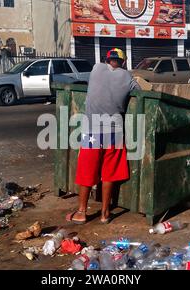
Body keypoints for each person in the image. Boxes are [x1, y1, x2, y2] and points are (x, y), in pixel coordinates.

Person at [66, 48, 140, 225]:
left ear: (107, 59)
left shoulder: (96, 69)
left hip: (92, 130)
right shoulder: (128, 77)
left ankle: (82, 212)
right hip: (114, 131)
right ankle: (105, 213)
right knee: (109, 173)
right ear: (123, 62)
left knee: (87, 170)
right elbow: (139, 91)